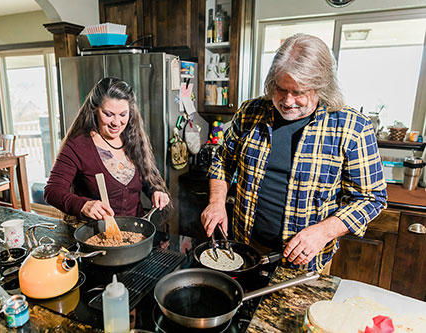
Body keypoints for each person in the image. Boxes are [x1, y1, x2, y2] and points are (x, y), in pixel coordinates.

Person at [201, 34, 387, 273]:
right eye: (280, 89)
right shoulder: (250, 113)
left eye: (299, 92)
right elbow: (222, 160)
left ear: (322, 87)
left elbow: (371, 198)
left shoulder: (352, 127)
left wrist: (323, 232)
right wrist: (216, 203)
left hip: (306, 261)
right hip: (246, 250)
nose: (288, 101)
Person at [44, 77, 170, 223]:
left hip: (135, 232)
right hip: (95, 234)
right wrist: (83, 205)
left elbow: (145, 179)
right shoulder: (78, 146)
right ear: (95, 109)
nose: (116, 123)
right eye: (108, 114)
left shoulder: (132, 138)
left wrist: (155, 191)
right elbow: (52, 191)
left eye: (123, 114)